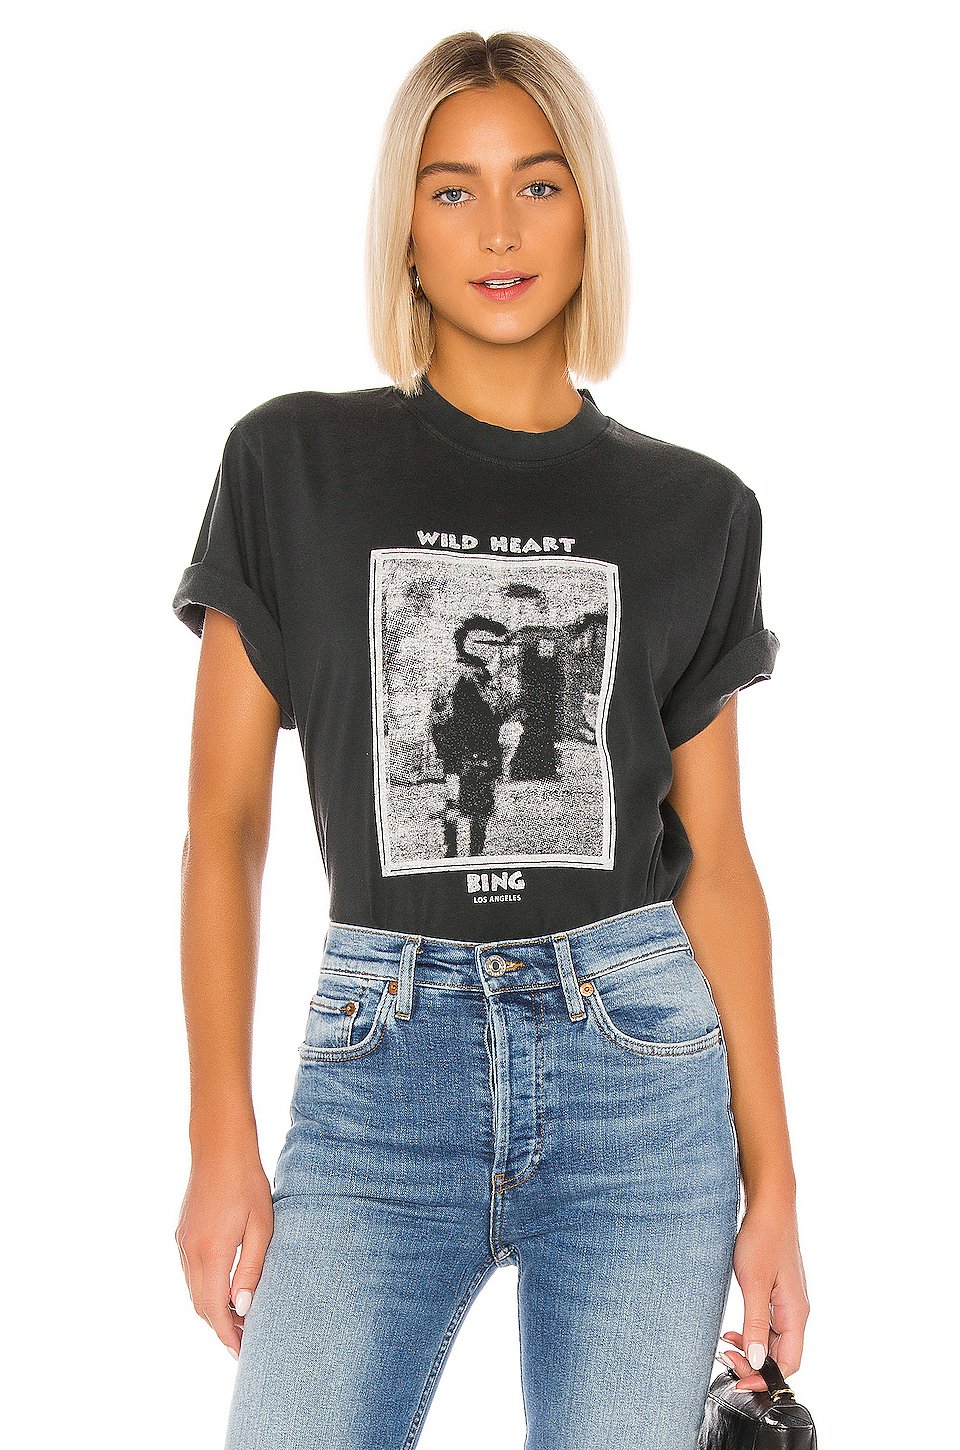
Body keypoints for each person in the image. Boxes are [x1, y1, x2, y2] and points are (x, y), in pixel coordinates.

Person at [172, 29, 809, 1450]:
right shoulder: (290, 464)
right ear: (404, 226)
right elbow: (225, 824)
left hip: (637, 1067)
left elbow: (716, 860)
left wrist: (775, 1185)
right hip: (378, 1068)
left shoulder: (699, 510)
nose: (500, 230)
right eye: (452, 189)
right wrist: (220, 1134)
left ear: (589, 214)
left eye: (539, 183)